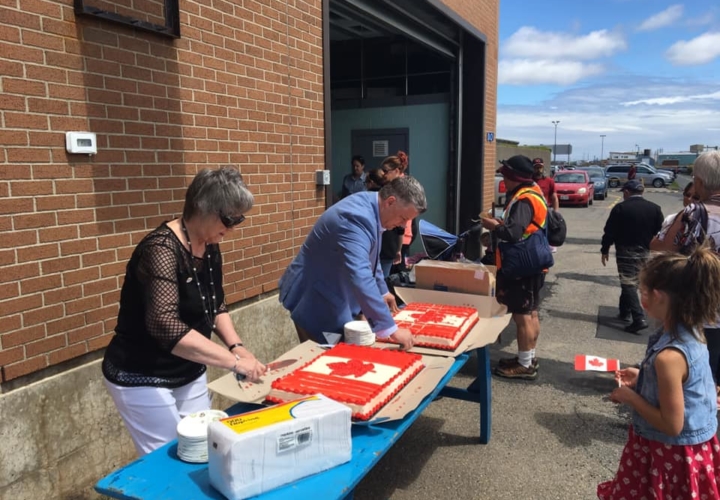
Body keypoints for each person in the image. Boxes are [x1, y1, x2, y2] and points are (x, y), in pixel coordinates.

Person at [102, 167, 267, 456]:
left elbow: (214, 304)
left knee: (202, 449)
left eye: (238, 219)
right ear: (203, 207)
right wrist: (233, 362)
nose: (232, 228)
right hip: (141, 372)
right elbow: (165, 325)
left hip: (187, 368)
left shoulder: (209, 244)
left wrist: (238, 347)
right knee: (166, 459)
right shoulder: (161, 250)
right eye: (229, 219)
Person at [597, 247, 720, 499]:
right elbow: (688, 389)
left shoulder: (668, 357)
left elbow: (672, 425)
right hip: (688, 452)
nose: (641, 298)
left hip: (667, 456)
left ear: (658, 296)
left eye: (642, 292)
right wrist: (642, 377)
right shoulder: (694, 332)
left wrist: (630, 397)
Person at [279, 176, 427, 350]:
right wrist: (391, 330)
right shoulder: (357, 218)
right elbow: (361, 274)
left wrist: (382, 291)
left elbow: (370, 258)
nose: (402, 225)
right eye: (403, 218)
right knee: (326, 362)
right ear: (390, 202)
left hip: (335, 296)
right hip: (315, 301)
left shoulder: (373, 209)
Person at [649, 151, 720, 401]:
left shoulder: (693, 213)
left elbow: (663, 248)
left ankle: (678, 420)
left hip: (692, 307)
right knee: (712, 376)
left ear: (699, 181)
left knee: (684, 368)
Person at [480, 155, 549, 380]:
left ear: (515, 178)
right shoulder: (533, 192)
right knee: (531, 313)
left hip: (523, 266)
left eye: (506, 176)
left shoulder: (523, 200)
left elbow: (513, 233)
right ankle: (527, 358)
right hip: (533, 264)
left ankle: (525, 365)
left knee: (523, 317)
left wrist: (492, 226)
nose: (503, 180)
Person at [600, 180, 664, 333]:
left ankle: (638, 318)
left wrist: (605, 249)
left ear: (627, 192)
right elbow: (660, 232)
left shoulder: (621, 208)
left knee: (628, 283)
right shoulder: (655, 209)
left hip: (625, 251)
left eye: (624, 192)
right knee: (631, 280)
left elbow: (610, 231)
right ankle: (624, 311)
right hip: (645, 251)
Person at [381, 151, 418, 271]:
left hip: (400, 237)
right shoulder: (400, 185)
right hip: (401, 236)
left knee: (395, 275)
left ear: (396, 171)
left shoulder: (401, 188)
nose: (383, 174)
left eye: (386, 171)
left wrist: (398, 248)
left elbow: (403, 220)